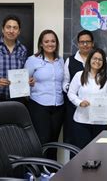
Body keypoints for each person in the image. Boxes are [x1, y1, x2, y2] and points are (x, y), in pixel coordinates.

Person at [24, 29, 64, 159]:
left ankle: (53, 173)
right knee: (43, 140)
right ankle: (40, 173)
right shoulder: (32, 60)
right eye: (46, 41)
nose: (50, 44)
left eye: (53, 41)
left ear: (56, 43)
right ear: (41, 44)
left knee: (53, 141)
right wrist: (27, 82)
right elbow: (22, 82)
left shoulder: (60, 61)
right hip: (39, 105)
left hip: (58, 106)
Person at [67, 48, 107, 149]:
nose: (97, 61)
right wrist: (79, 102)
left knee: (99, 152)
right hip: (82, 121)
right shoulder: (79, 75)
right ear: (89, 59)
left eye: (100, 60)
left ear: (104, 63)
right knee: (80, 152)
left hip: (101, 122)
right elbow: (71, 93)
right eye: (94, 58)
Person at [0, 15, 32, 103]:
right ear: (3, 29)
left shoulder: (23, 49)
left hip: (17, 99)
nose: (11, 31)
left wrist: (28, 81)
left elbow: (23, 73)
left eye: (15, 28)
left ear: (19, 31)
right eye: (8, 27)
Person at [62, 30, 94, 144]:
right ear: (78, 44)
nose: (85, 44)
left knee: (94, 142)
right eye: (82, 42)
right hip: (75, 107)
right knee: (76, 142)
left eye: (88, 42)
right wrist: (71, 88)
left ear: (92, 44)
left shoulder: (98, 60)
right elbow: (65, 82)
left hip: (95, 107)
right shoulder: (70, 61)